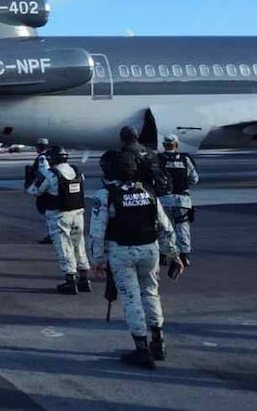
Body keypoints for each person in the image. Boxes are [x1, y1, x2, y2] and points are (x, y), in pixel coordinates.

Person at [89, 150, 183, 369]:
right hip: (150, 249)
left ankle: (142, 349)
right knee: (151, 293)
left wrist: (98, 259)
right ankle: (158, 343)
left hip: (122, 251)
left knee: (131, 299)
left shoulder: (105, 195)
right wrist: (173, 253)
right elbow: (165, 225)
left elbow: (97, 232)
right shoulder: (147, 190)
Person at [27, 146, 91, 294]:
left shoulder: (50, 174)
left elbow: (34, 191)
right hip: (77, 213)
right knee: (79, 245)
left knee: (63, 246)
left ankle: (70, 280)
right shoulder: (77, 171)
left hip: (59, 215)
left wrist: (33, 178)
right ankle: (84, 279)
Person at [158, 135, 199, 266]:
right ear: (176, 145)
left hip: (164, 199)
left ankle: (163, 255)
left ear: (164, 145)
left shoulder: (159, 159)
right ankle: (184, 255)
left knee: (164, 227)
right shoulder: (185, 159)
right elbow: (194, 179)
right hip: (182, 200)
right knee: (182, 226)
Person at [25, 138, 53, 244]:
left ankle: (52, 235)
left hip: (45, 189)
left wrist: (35, 187)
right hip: (50, 188)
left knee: (48, 213)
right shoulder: (51, 156)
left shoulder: (42, 158)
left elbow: (44, 173)